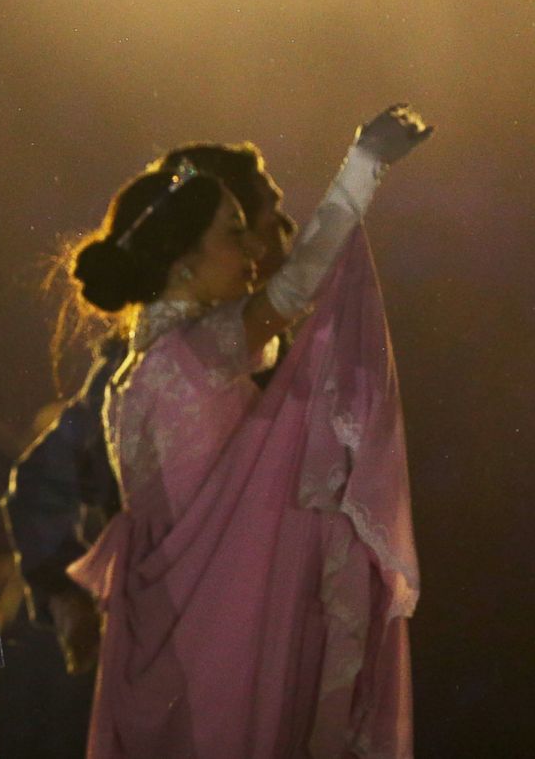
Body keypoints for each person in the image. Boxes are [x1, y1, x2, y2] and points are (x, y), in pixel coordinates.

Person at [62, 106, 428, 757]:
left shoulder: (142, 366)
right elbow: (297, 287)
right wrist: (364, 165)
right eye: (232, 231)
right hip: (216, 634)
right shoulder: (197, 350)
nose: (254, 246)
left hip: (154, 639)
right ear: (182, 260)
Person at [0, 142, 296, 757]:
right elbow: (44, 477)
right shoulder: (155, 365)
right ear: (189, 249)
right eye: (251, 223)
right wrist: (69, 599)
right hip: (158, 651)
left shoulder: (272, 347)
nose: (275, 239)